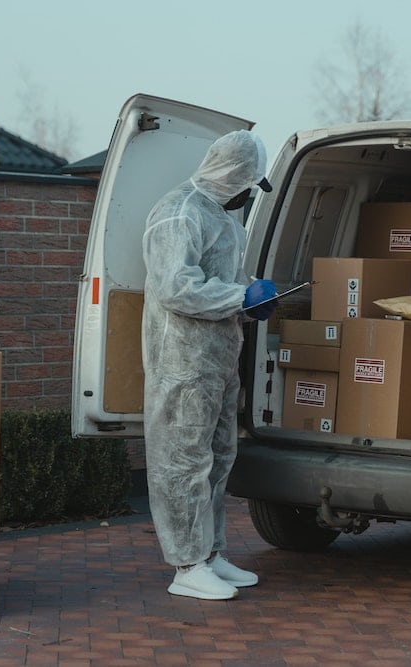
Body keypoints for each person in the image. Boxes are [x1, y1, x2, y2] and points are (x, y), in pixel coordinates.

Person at [141, 130, 276, 600]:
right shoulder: (179, 212)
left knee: (218, 457)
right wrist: (239, 296)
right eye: (247, 183)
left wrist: (252, 293)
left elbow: (225, 280)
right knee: (183, 459)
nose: (247, 194)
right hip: (182, 359)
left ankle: (211, 553)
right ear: (231, 175)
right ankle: (187, 565)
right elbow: (175, 286)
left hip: (218, 357)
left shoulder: (224, 219)